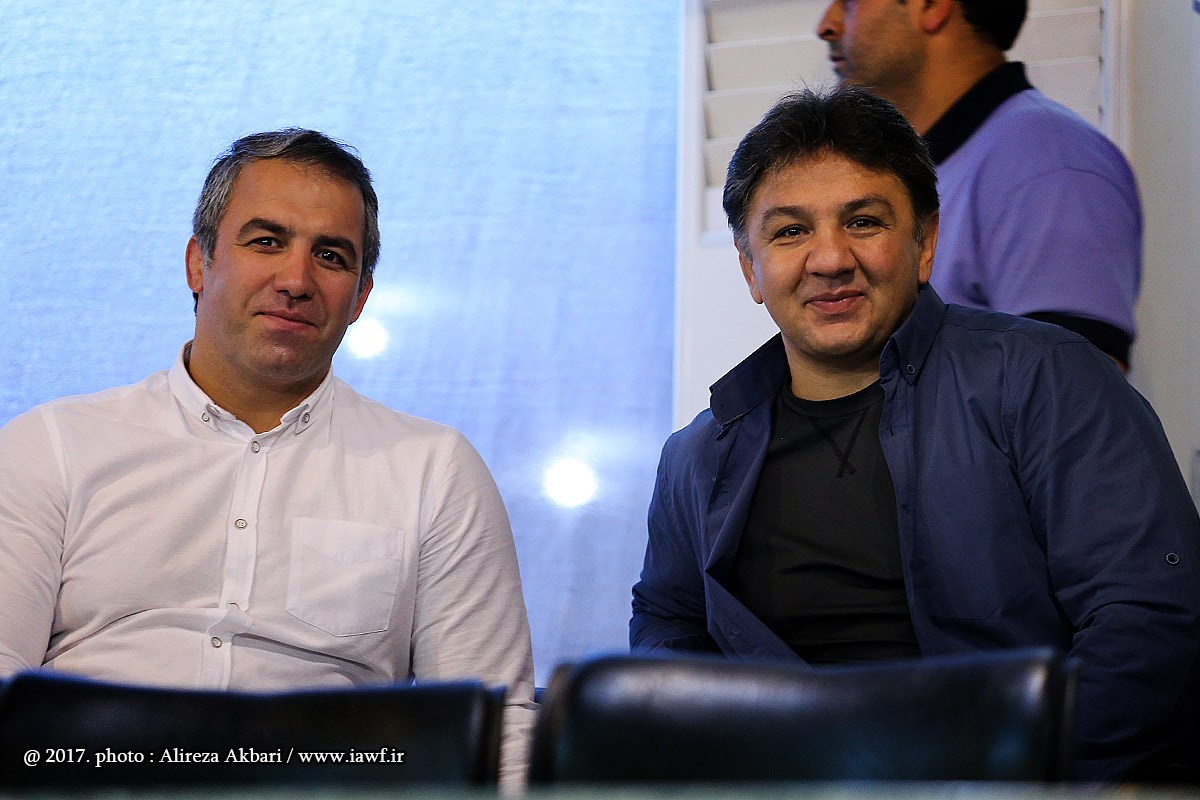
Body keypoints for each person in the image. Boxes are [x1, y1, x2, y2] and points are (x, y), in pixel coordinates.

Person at [630, 88, 1200, 781]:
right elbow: (666, 628)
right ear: (751, 268)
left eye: (863, 222)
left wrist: (1004, 775)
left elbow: (1149, 617)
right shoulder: (695, 458)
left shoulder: (1044, 378)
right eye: (789, 232)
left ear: (924, 244)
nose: (829, 259)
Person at [0, 129, 535, 788]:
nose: (296, 281)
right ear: (198, 264)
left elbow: (497, 728)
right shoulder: (54, 446)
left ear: (361, 297)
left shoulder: (433, 470)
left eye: (331, 256)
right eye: (266, 241)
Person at [817, 0, 1141, 369]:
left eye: (851, 2)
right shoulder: (931, 167)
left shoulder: (1050, 163)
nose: (827, 25)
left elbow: (1072, 390)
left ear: (933, 6)